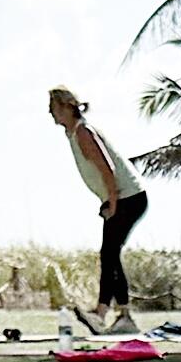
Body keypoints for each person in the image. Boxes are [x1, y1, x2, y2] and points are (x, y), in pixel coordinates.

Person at [47, 87, 149, 334]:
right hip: (119, 197)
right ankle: (116, 314)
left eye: (54, 107)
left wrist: (112, 201)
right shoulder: (73, 133)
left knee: (109, 253)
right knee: (109, 254)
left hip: (129, 197)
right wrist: (108, 200)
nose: (50, 112)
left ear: (67, 106)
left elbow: (107, 168)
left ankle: (108, 313)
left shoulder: (83, 132)